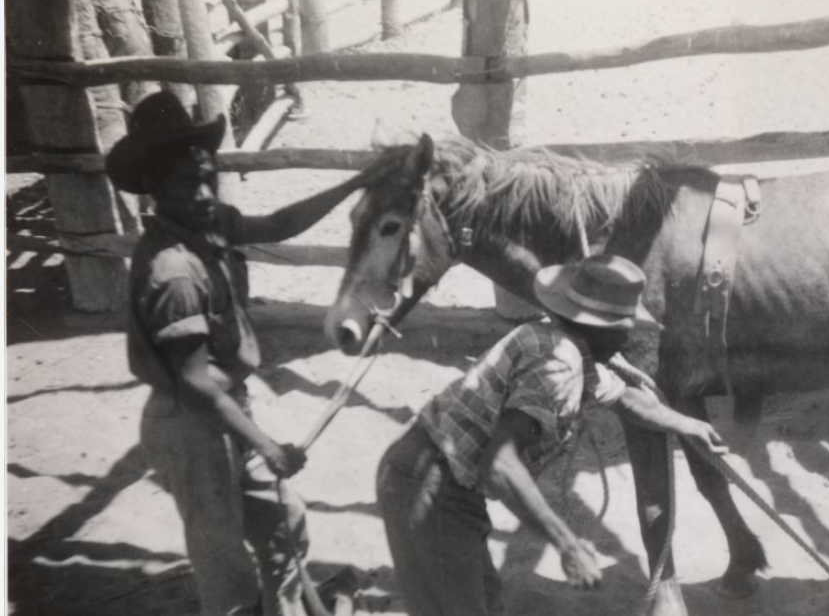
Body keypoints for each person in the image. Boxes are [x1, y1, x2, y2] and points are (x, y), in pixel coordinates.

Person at [107, 91, 370, 616]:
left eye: (208, 176)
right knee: (224, 568)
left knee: (284, 527)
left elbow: (277, 225)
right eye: (188, 183)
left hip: (227, 413)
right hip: (191, 424)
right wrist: (267, 446)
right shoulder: (173, 272)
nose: (205, 192)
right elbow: (196, 383)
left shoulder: (209, 223)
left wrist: (352, 184)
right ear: (153, 189)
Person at [376, 254, 727, 616]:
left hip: (437, 481)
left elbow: (626, 399)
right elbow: (499, 466)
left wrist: (687, 425)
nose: (627, 336)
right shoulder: (559, 365)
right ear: (600, 327)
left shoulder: (559, 341)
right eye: (623, 326)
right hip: (429, 487)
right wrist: (567, 545)